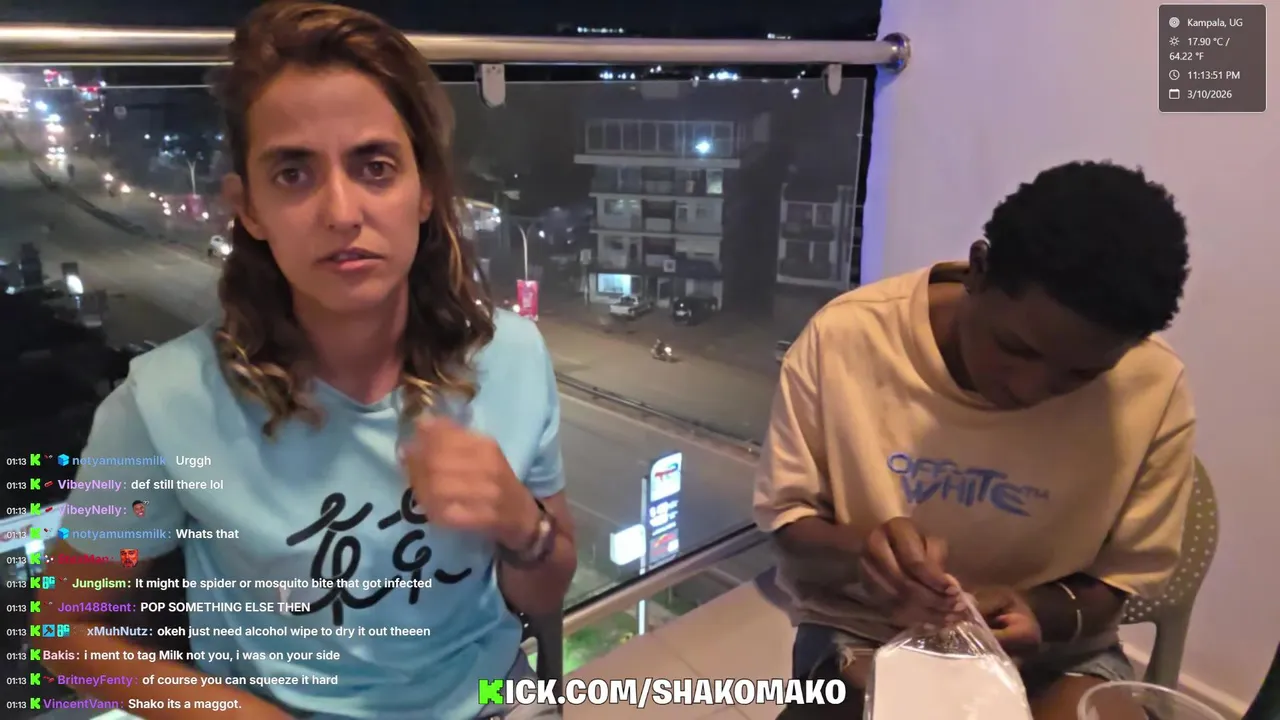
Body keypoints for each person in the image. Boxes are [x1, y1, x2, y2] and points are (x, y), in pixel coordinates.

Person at [38, 3, 575, 719]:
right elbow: (64, 630)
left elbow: (544, 591)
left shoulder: (511, 357)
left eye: (376, 167)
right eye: (293, 173)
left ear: (426, 191)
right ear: (249, 208)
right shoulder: (163, 405)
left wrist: (522, 527)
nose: (341, 212)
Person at [756, 160, 1193, 720]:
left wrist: (1038, 610)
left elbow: (1116, 581)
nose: (1029, 389)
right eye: (1015, 348)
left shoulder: (1152, 385)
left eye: (1080, 375)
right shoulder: (848, 339)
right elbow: (789, 530)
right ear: (978, 271)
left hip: (1055, 652)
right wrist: (865, 554)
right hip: (865, 631)